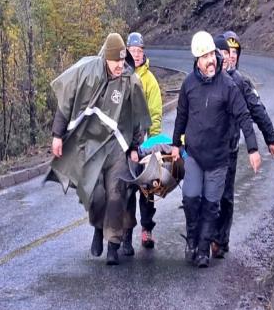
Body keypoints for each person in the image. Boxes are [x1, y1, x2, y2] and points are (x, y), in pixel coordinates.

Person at [47, 33, 151, 266]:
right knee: (96, 195)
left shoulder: (130, 80)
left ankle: (113, 244)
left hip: (117, 147)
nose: (119, 66)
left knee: (116, 194)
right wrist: (57, 135)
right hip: (91, 145)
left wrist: (135, 147)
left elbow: (137, 118)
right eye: (115, 61)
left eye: (122, 61)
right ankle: (97, 227)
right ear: (106, 58)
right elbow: (66, 104)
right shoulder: (86, 73)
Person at [171, 31, 261, 268]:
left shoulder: (228, 85)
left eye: (212, 54)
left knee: (212, 205)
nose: (211, 60)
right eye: (205, 56)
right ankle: (192, 240)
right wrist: (175, 145)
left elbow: (244, 116)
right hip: (194, 155)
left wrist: (253, 148)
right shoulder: (188, 84)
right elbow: (181, 116)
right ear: (197, 60)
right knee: (191, 200)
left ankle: (203, 250)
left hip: (219, 158)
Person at [211, 33, 274, 258]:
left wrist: (270, 139)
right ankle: (205, 237)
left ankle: (221, 240)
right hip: (208, 148)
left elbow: (257, 110)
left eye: (234, 54)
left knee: (226, 196)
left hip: (230, 147)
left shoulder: (241, 82)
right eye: (226, 53)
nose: (230, 57)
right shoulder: (208, 77)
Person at [122, 32, 163, 254]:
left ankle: (147, 229)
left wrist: (153, 146)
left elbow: (156, 114)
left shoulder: (150, 81)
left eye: (139, 51)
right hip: (126, 146)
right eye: (132, 51)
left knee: (148, 190)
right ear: (127, 51)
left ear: (143, 52)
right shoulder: (121, 75)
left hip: (145, 144)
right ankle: (126, 233)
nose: (136, 55)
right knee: (128, 190)